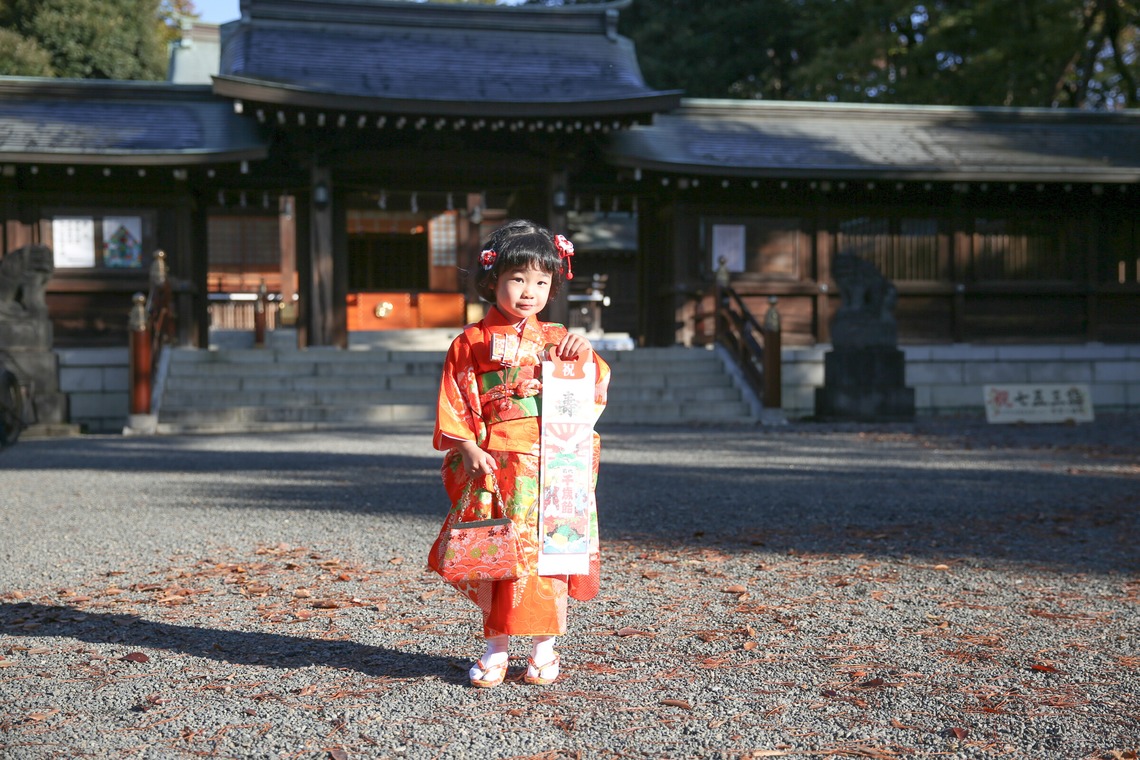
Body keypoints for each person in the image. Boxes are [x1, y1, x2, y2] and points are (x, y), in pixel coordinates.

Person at [427, 219, 610, 688]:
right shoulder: (470, 341)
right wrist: (467, 445)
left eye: (542, 282)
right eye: (518, 279)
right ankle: (496, 648)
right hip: (498, 462)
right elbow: (455, 397)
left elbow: (591, 388)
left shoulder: (557, 337)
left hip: (554, 460)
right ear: (493, 279)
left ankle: (544, 648)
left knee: (553, 552)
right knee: (499, 554)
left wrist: (583, 354)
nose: (530, 291)